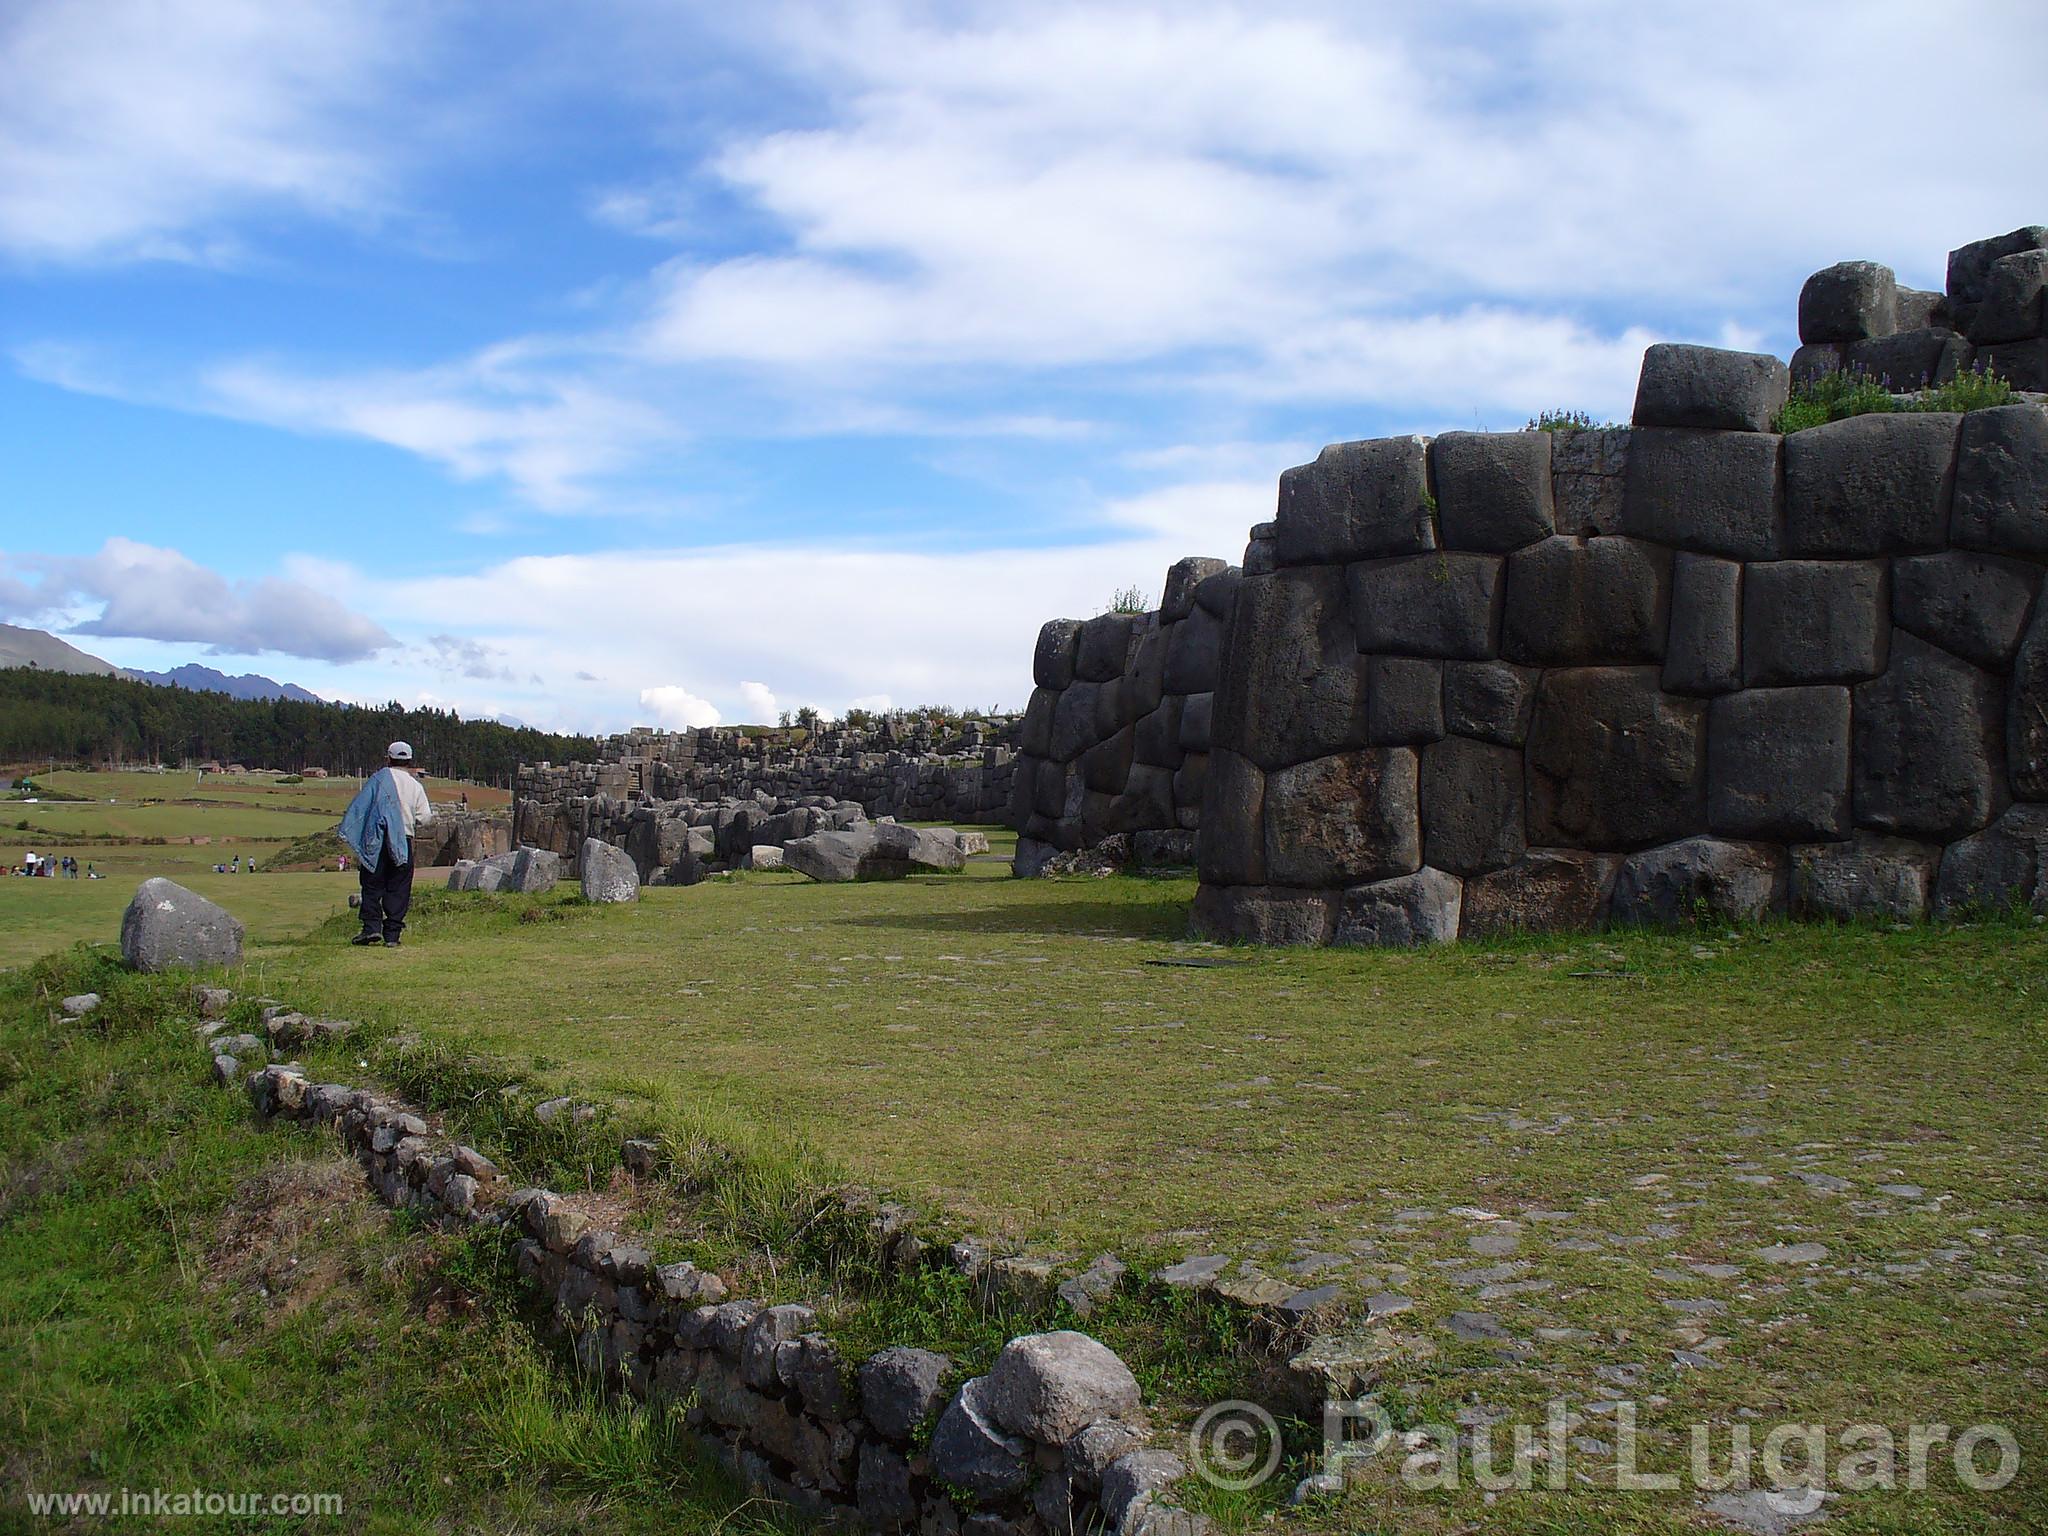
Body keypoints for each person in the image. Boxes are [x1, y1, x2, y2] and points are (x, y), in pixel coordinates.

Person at [338, 741, 433, 948]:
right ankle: (392, 935)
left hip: (378, 841)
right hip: (404, 841)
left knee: (372, 883)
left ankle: (371, 927)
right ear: (409, 761)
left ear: (388, 758)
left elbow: (360, 808)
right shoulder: (415, 786)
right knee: (398, 887)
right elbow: (425, 817)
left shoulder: (378, 780)